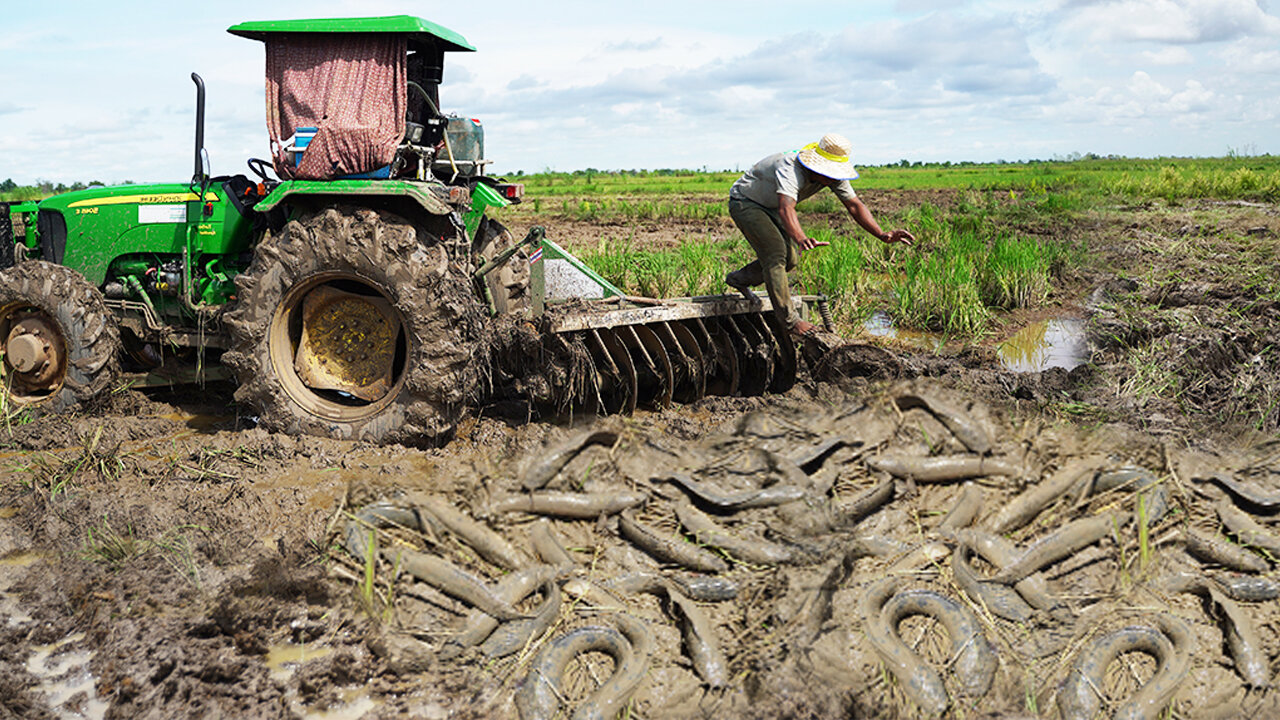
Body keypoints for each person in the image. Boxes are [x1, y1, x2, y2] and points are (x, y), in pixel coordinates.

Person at [725, 133, 915, 337]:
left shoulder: (832, 177)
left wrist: (883, 234)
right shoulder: (790, 167)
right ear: (815, 165)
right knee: (776, 254)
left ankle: (739, 279)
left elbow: (854, 205)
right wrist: (800, 237)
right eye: (827, 173)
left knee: (791, 260)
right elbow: (786, 208)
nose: (830, 179)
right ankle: (790, 322)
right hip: (746, 201)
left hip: (771, 205)